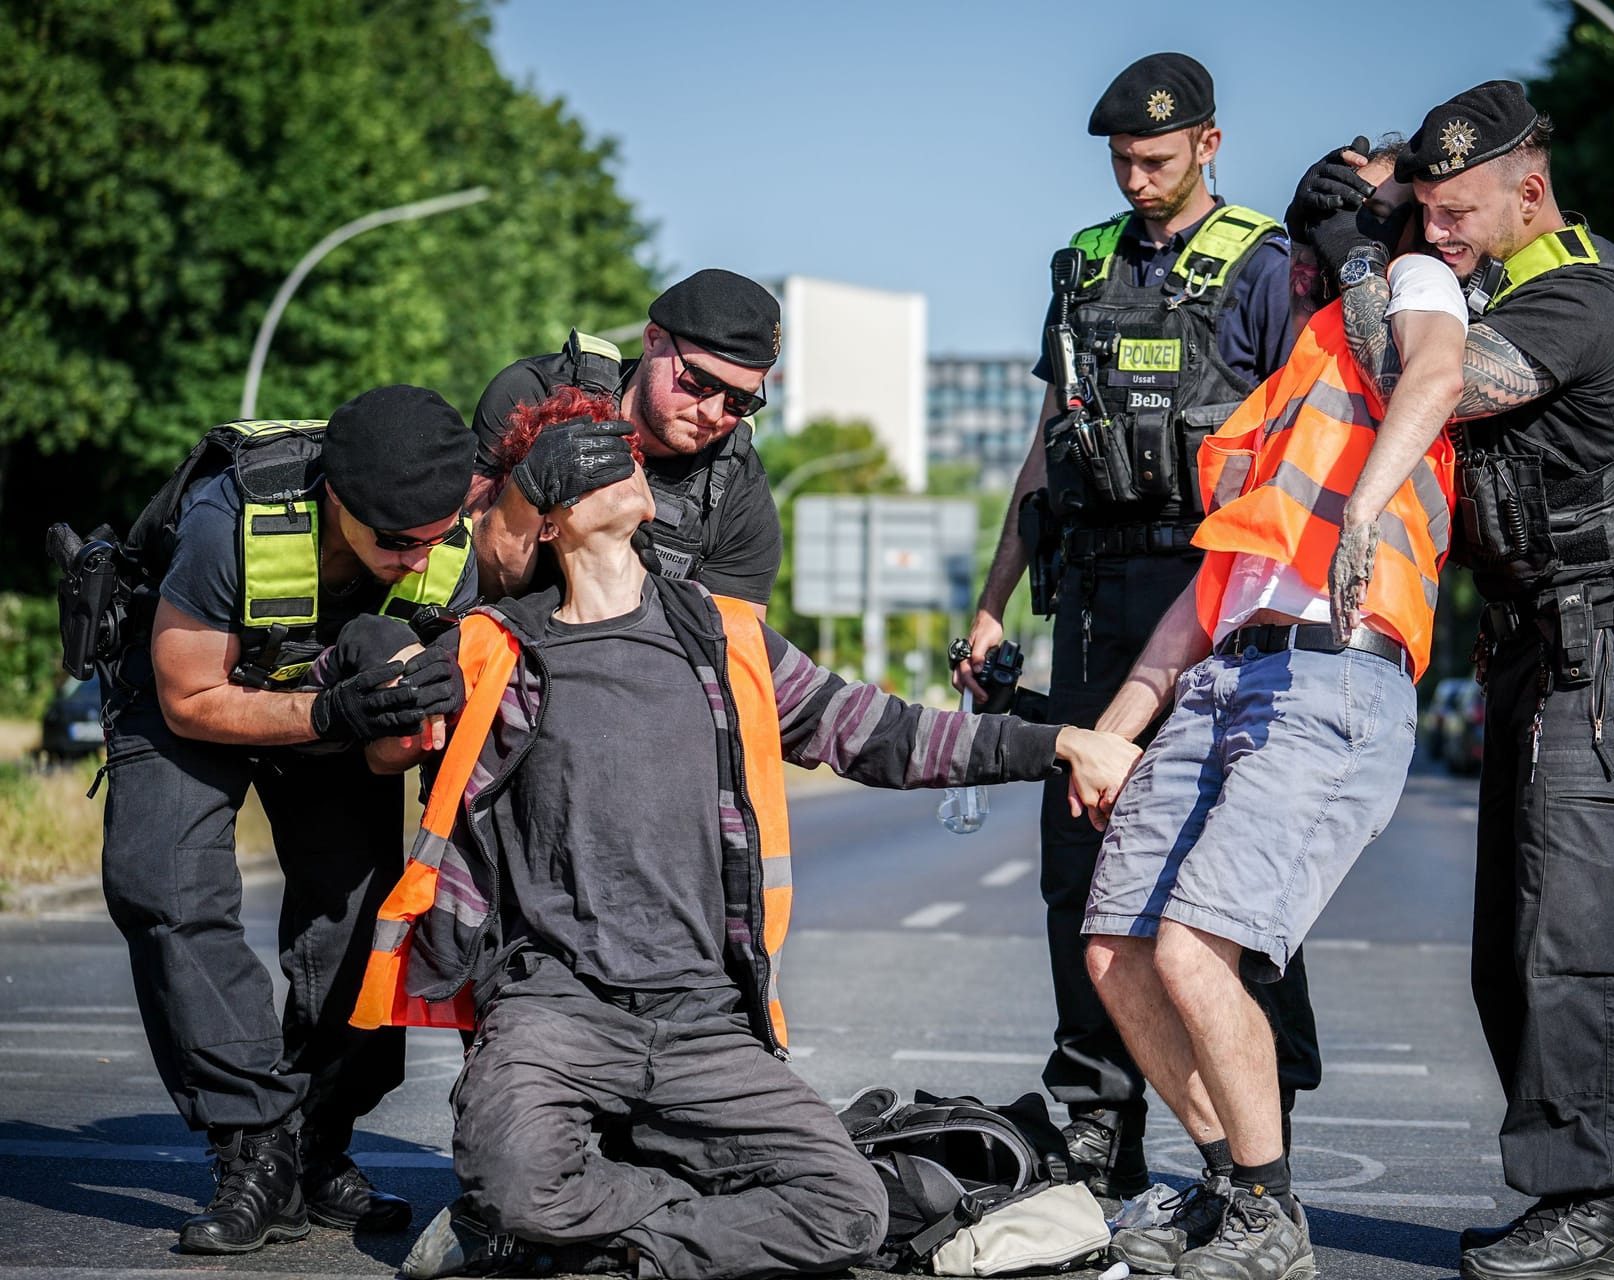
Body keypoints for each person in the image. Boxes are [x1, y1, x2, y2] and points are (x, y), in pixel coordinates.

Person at [352, 387, 1144, 1280]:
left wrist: (1060, 743)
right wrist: (366, 657)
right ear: (547, 521)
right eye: (580, 458)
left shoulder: (730, 644)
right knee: (515, 1186)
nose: (615, 460)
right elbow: (386, 737)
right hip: (555, 1013)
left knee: (848, 1210)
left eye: (621, 452)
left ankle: (607, 1253)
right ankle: (594, 1225)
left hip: (704, 1021)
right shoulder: (491, 652)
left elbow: (885, 734)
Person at [1080, 141, 1466, 1280]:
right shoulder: (1291, 366)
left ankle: (1269, 1219)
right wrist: (1119, 722)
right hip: (1225, 668)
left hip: (1332, 669)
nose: (1343, 201)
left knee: (1198, 948)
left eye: (1368, 189)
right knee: (1118, 950)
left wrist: (1363, 515)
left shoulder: (1412, 289)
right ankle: (1224, 1181)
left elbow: (1435, 378)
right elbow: (1215, 589)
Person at [1336, 81, 1614, 1280]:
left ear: (1528, 192)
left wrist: (1364, 262)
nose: (1437, 235)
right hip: (1542, 649)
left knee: (1577, 944)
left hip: (1599, 654)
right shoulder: (1522, 280)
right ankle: (1580, 1194)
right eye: (1424, 213)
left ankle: (1600, 1207)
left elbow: (1428, 382)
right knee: (1516, 950)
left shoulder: (1583, 300)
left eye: (1455, 214)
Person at [954, 50, 1322, 1199]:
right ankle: (1095, 1121)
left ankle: (1263, 1121)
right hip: (1097, 601)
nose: (1136, 176)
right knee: (1083, 861)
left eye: (1156, 157)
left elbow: (1311, 439)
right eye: (1120, 158)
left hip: (1219, 604)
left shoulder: (1269, 268)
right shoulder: (1084, 266)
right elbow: (1047, 449)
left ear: (1208, 144)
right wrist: (991, 594)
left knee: (1225, 878)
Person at [98, 385, 481, 1253]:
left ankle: (315, 1142)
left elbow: (391, 757)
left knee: (359, 913)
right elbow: (191, 698)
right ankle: (254, 1146)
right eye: (394, 542)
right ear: (337, 501)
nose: (416, 561)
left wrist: (394, 723)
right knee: (160, 885)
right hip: (195, 688)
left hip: (332, 690)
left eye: (432, 537)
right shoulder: (225, 524)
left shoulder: (443, 540)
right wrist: (331, 718)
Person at [468, 268, 784, 611]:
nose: (713, 411)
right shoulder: (535, 395)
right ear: (653, 339)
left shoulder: (738, 485)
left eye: (740, 400)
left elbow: (734, 649)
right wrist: (528, 491)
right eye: (699, 382)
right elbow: (483, 580)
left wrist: (646, 592)